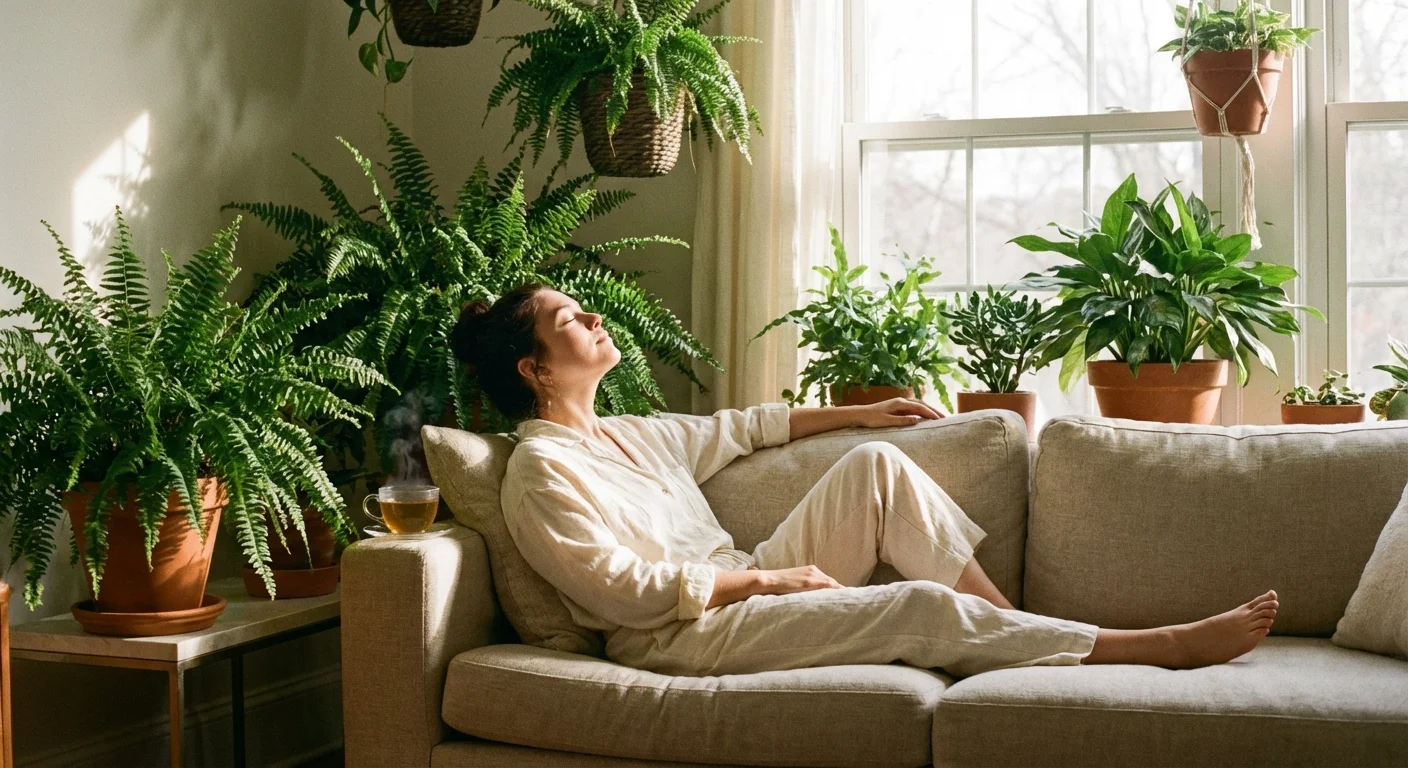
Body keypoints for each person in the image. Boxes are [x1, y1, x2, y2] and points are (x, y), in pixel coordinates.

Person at [448, 282, 1279, 678]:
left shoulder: (629, 433)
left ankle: (1014, 628)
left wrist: (859, 415)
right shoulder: (540, 472)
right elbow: (619, 592)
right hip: (682, 637)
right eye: (570, 321)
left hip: (748, 586)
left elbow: (741, 427)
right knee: (914, 606)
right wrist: (762, 579)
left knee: (877, 468)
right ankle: (1149, 650)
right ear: (533, 368)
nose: (594, 318)